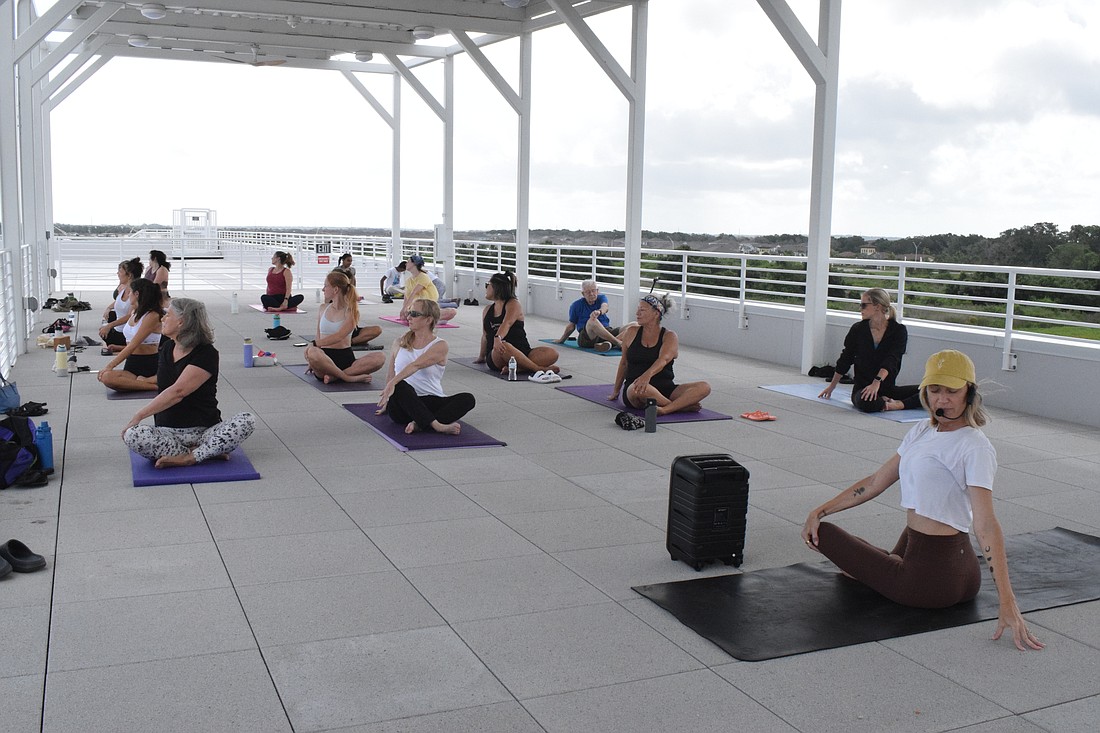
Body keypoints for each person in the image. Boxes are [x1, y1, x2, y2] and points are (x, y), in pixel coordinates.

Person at [802, 350, 1044, 651]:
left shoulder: (975, 446)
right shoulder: (922, 430)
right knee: (853, 552)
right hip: (955, 568)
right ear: (925, 392)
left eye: (952, 391)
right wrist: (820, 509)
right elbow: (877, 482)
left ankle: (886, 569)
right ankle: (886, 566)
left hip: (930, 582)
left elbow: (985, 524)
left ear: (969, 392)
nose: (942, 399)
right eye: (935, 390)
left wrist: (1008, 603)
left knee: (824, 535)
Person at [122, 298, 256, 469]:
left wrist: (139, 415)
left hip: (206, 431)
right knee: (133, 435)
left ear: (181, 321)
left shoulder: (206, 353)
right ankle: (206, 452)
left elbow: (178, 392)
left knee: (247, 420)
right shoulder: (166, 347)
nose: (162, 319)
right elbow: (164, 381)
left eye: (167, 315)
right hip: (168, 432)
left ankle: (190, 457)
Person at [376, 299, 476, 435]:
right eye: (409, 312)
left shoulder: (440, 346)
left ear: (428, 320)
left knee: (468, 399)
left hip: (430, 400)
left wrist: (393, 382)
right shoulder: (398, 342)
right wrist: (387, 398)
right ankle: (436, 425)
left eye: (415, 314)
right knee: (400, 384)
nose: (409, 317)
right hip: (402, 406)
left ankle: (420, 423)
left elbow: (416, 365)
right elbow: (391, 374)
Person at [819, 288, 920, 412]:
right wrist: (832, 386)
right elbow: (846, 358)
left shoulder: (898, 330)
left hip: (887, 387)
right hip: (862, 389)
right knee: (867, 401)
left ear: (877, 306)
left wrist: (876, 383)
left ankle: (896, 404)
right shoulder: (858, 329)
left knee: (929, 391)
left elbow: (892, 359)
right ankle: (885, 401)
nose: (860, 309)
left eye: (863, 305)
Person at [608, 294, 711, 415]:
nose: (637, 313)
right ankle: (679, 406)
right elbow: (624, 363)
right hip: (637, 388)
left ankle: (665, 409)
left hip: (666, 389)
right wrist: (616, 391)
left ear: (656, 314)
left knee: (705, 387)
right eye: (638, 309)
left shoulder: (670, 336)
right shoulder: (630, 332)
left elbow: (664, 360)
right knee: (638, 389)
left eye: (642, 310)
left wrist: (647, 376)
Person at [304, 272, 385, 383]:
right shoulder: (323, 308)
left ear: (336, 289)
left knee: (380, 357)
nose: (323, 289)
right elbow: (318, 336)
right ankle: (346, 376)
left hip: (345, 358)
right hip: (324, 359)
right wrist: (313, 361)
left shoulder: (351, 311)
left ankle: (338, 376)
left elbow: (340, 336)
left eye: (326, 286)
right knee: (312, 352)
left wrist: (313, 344)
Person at [476, 270, 560, 375]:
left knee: (552, 353)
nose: (486, 288)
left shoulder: (513, 304)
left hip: (523, 351)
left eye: (487, 285)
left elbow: (507, 323)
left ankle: (520, 368)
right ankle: (536, 368)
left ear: (496, 287)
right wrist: (481, 357)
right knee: (505, 346)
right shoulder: (487, 310)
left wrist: (498, 338)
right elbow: (485, 335)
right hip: (498, 354)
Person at [98, 278, 163, 392]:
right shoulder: (134, 312)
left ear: (136, 294)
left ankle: (153, 385)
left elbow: (134, 344)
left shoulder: (152, 316)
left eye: (130, 292)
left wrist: (110, 365)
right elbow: (131, 343)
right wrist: (117, 347)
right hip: (132, 362)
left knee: (107, 374)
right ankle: (144, 382)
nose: (128, 295)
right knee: (106, 377)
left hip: (149, 363)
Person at [555, 280, 625, 352]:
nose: (591, 294)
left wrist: (599, 312)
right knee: (592, 321)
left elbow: (605, 307)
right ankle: (618, 343)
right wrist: (561, 340)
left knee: (632, 325)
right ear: (583, 294)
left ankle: (608, 343)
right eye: (588, 292)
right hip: (587, 337)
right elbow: (571, 326)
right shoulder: (576, 305)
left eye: (593, 291)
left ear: (597, 291)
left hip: (606, 332)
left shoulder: (601, 298)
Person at [99, 257, 143, 351]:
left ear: (129, 275)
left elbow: (129, 315)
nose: (117, 274)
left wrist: (109, 325)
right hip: (118, 330)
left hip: (126, 334)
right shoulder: (123, 289)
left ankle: (125, 346)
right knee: (103, 330)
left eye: (120, 271)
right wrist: (108, 308)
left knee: (105, 332)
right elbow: (119, 302)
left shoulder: (136, 292)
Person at [399, 255, 456, 322]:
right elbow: (406, 296)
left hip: (428, 306)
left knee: (452, 312)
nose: (406, 264)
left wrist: (405, 308)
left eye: (408, 261)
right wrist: (404, 309)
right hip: (416, 308)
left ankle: (428, 319)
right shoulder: (408, 280)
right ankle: (429, 319)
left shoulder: (423, 277)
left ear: (414, 264)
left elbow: (414, 292)